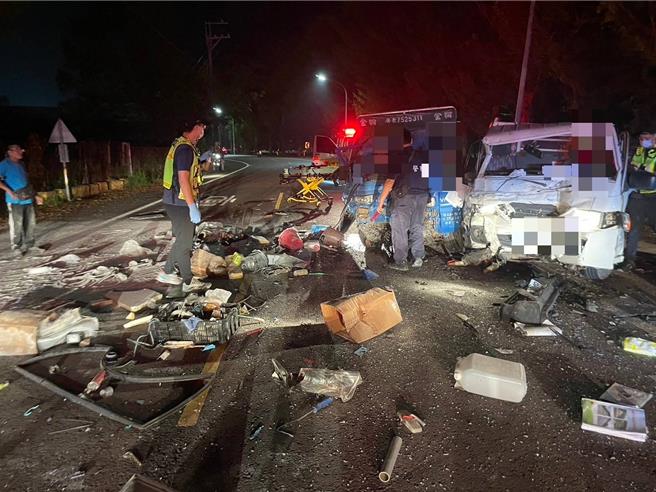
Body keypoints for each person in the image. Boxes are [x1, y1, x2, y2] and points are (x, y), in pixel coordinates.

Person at [157, 120, 212, 292]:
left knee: (183, 241)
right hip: (180, 203)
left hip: (176, 201)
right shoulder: (185, 149)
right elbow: (182, 179)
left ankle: (180, 277)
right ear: (195, 127)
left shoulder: (183, 146)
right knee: (185, 242)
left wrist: (204, 162)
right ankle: (174, 274)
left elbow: (195, 173)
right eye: (202, 129)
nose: (203, 133)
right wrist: (191, 206)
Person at [375, 129, 430, 271]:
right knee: (417, 226)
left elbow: (389, 182)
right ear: (411, 140)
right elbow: (427, 176)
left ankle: (400, 261)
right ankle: (418, 257)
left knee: (399, 228)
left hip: (405, 198)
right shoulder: (423, 155)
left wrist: (381, 202)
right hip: (422, 196)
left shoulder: (397, 157)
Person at [0, 144, 43, 255]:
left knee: (30, 224)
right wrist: (9, 191)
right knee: (16, 224)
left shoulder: (21, 165)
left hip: (28, 199)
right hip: (14, 201)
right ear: (10, 152)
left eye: (21, 150)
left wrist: (35, 195)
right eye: (18, 150)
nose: (21, 152)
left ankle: (30, 245)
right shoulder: (4, 164)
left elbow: (27, 182)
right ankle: (16, 247)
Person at [624, 131, 656, 270]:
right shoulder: (639, 151)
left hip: (653, 196)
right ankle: (629, 260)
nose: (644, 141)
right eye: (642, 138)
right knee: (634, 229)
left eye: (647, 138)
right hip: (637, 195)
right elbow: (634, 168)